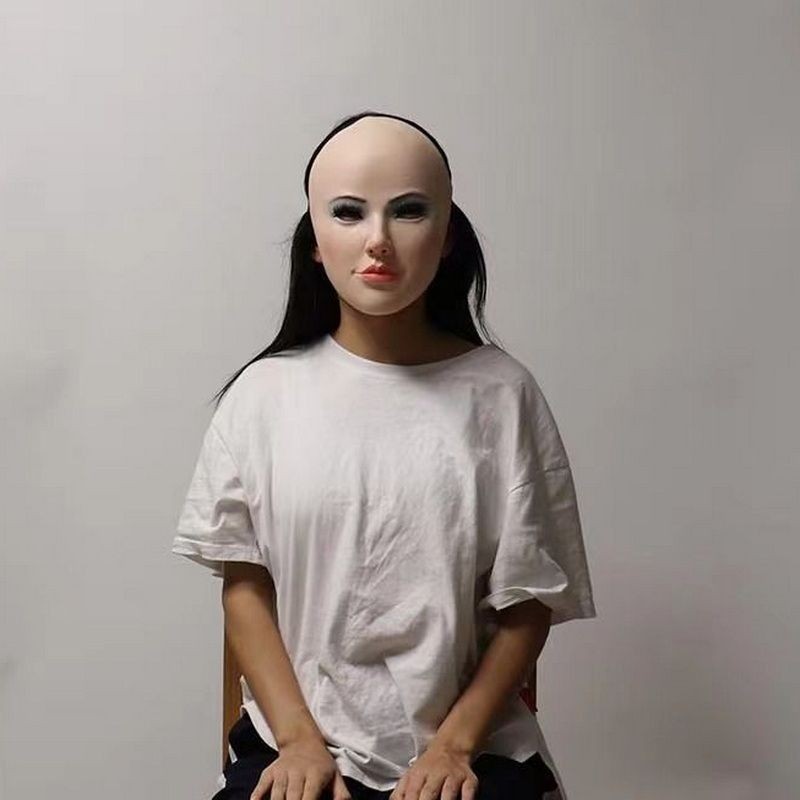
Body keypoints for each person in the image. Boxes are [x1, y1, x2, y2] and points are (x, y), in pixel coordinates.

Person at [172, 110, 597, 800]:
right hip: (296, 738)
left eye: (408, 211)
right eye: (348, 212)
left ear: (447, 235)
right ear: (315, 242)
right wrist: (299, 741)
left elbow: (529, 603)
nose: (378, 241)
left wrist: (454, 747)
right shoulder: (261, 396)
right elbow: (244, 584)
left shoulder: (503, 395)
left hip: (474, 748)